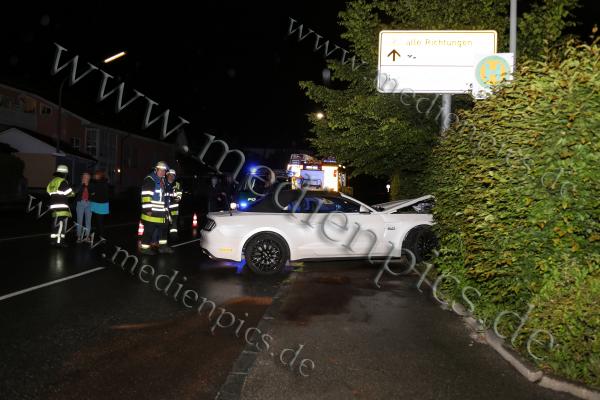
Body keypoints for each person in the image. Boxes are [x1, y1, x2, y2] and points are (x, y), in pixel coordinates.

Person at [140, 161, 173, 255]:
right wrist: (148, 209)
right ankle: (144, 249)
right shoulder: (150, 179)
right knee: (149, 231)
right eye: (161, 170)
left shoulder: (162, 180)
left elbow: (164, 196)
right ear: (156, 170)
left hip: (162, 212)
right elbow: (146, 195)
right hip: (152, 212)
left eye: (164, 171)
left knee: (164, 231)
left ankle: (163, 247)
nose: (163, 172)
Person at [46, 164, 75, 247]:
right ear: (65, 173)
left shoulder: (52, 181)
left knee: (55, 224)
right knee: (61, 225)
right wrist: (73, 191)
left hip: (53, 207)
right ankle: (59, 242)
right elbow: (69, 193)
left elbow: (48, 191)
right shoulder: (62, 181)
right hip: (61, 207)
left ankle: (53, 241)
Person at [89, 169, 109, 238]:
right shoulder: (101, 182)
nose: (95, 176)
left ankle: (102, 235)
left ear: (99, 175)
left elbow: (97, 193)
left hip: (100, 204)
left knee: (99, 221)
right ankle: (99, 234)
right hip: (99, 203)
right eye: (95, 175)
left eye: (96, 175)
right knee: (97, 221)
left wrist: (93, 194)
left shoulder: (100, 183)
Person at [75, 172, 92, 242]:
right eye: (84, 177)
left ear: (89, 178)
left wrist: (88, 186)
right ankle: (79, 236)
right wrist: (82, 184)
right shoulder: (79, 185)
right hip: (80, 203)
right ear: (82, 178)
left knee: (88, 221)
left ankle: (87, 236)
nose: (86, 178)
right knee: (79, 220)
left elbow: (93, 193)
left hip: (89, 203)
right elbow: (75, 191)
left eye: (87, 177)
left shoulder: (91, 185)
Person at [165, 169, 182, 240]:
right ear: (167, 175)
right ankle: (164, 236)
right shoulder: (163, 183)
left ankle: (173, 236)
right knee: (165, 222)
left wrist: (178, 198)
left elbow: (179, 194)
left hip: (174, 207)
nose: (171, 177)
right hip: (165, 207)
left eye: (173, 175)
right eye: (170, 175)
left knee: (174, 222)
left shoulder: (177, 184)